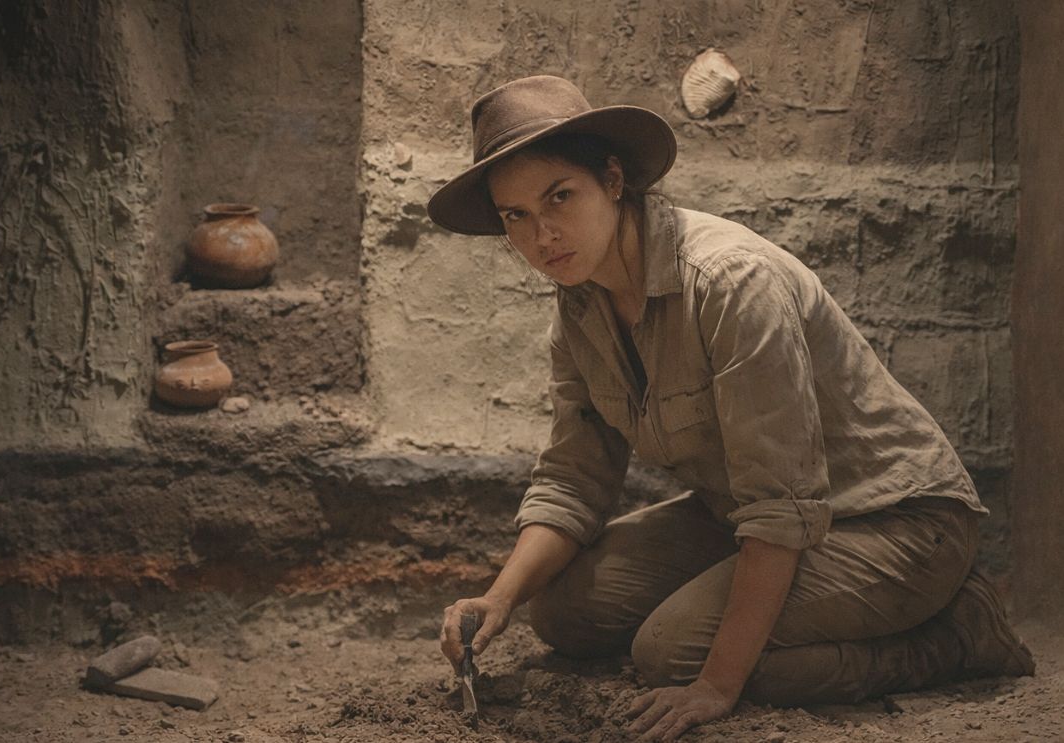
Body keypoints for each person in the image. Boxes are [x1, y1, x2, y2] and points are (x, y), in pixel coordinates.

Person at [426, 75, 1034, 742]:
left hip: (893, 523)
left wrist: (714, 685)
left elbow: (779, 505)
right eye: (514, 216)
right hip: (740, 514)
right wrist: (499, 597)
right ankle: (762, 616)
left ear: (613, 180)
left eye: (559, 197)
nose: (542, 235)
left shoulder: (731, 282)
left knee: (671, 654)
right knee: (563, 610)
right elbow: (575, 476)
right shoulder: (580, 308)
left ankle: (957, 631)